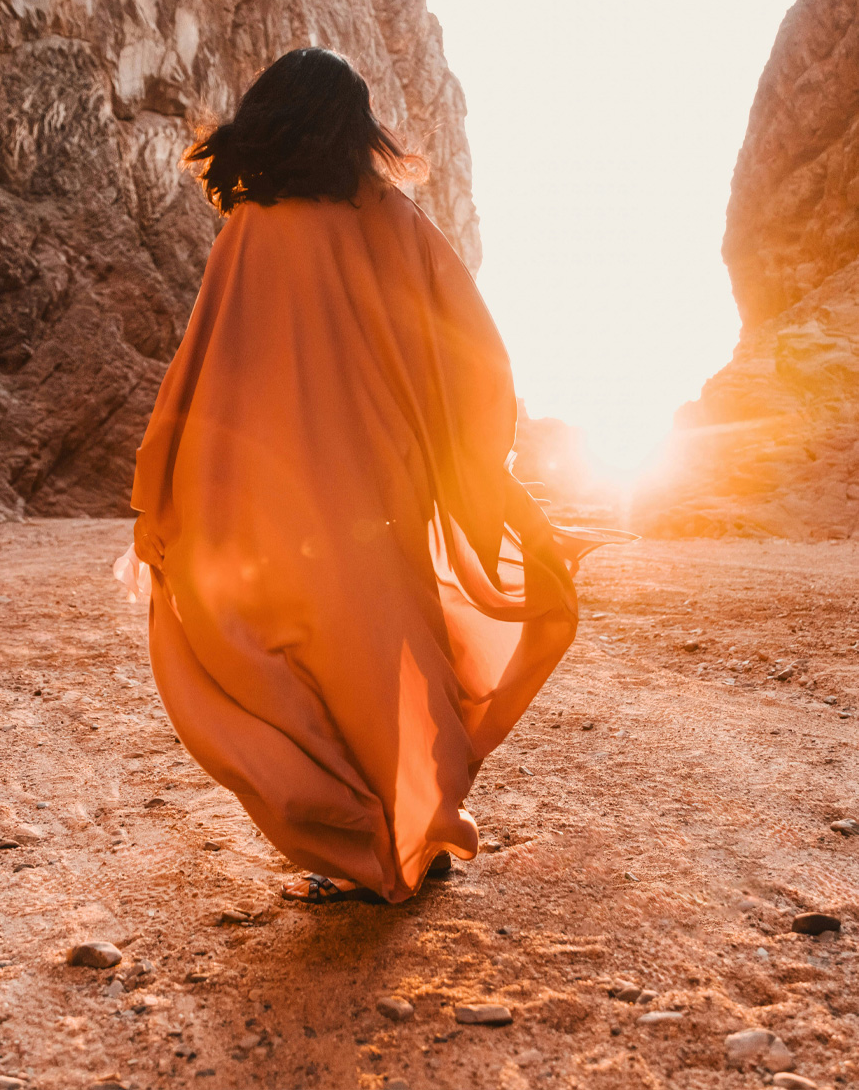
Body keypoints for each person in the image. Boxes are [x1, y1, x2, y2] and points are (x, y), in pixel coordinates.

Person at [123, 47, 626, 906]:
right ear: (354, 128)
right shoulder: (393, 221)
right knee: (392, 650)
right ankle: (411, 831)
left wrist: (166, 491)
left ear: (267, 119)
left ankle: (359, 835)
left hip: (275, 499)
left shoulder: (253, 227)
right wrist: (465, 462)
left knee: (292, 661)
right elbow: (473, 351)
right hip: (382, 486)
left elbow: (202, 374)